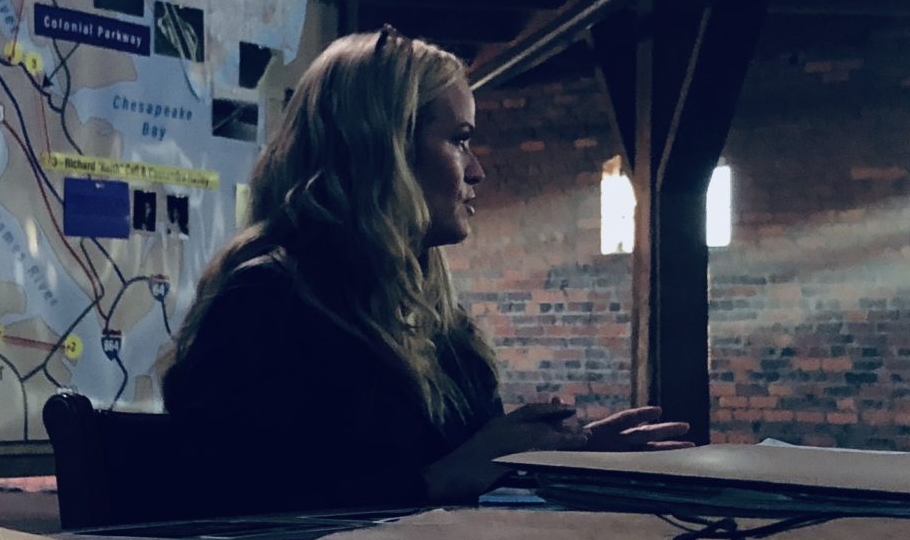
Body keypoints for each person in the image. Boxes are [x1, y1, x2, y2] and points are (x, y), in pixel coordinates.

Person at [161, 28, 688, 514]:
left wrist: (567, 459)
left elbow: (470, 480)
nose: (477, 169)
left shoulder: (433, 316)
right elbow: (226, 508)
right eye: (459, 139)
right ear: (382, 147)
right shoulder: (264, 303)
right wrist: (449, 476)